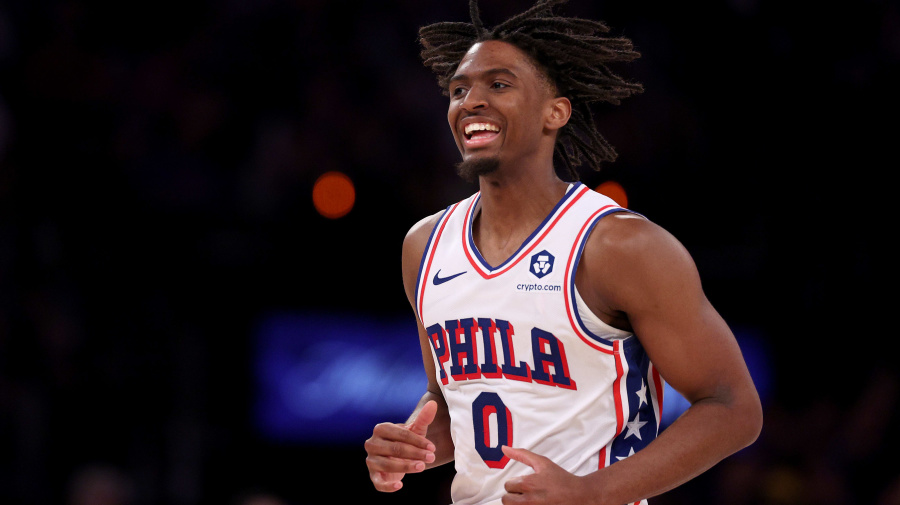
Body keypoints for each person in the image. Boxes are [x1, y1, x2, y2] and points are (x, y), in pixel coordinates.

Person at [365, 1, 763, 504]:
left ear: (556, 111)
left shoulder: (618, 245)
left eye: (499, 84)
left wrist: (592, 493)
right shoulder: (424, 245)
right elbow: (453, 400)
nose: (471, 101)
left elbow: (733, 408)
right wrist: (411, 445)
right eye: (458, 90)